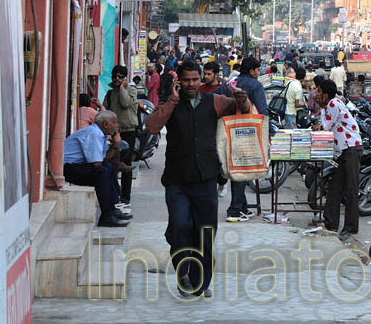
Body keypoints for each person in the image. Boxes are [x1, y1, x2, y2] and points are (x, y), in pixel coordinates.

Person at [145, 60, 252, 298]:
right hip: (176, 180)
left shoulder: (214, 101)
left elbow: (243, 111)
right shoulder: (170, 104)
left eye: (195, 79)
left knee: (205, 233)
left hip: (205, 179)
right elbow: (152, 127)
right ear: (178, 82)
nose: (191, 84)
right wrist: (172, 101)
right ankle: (181, 267)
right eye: (186, 80)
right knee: (180, 227)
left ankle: (200, 283)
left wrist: (242, 98)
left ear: (201, 78)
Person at [63, 110, 129, 227]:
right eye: (114, 122)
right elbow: (97, 163)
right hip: (68, 169)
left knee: (108, 167)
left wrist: (115, 145)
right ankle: (107, 216)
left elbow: (104, 160)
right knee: (102, 172)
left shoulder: (100, 134)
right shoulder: (94, 133)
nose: (116, 125)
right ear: (105, 124)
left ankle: (114, 208)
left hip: (79, 166)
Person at [316, 79, 362, 238]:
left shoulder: (333, 104)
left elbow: (325, 126)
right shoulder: (331, 104)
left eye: (319, 91)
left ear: (326, 94)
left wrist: (321, 108)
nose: (316, 93)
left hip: (351, 148)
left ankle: (350, 228)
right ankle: (330, 223)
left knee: (350, 190)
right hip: (344, 151)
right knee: (335, 188)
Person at [227, 56, 269, 221]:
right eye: (258, 70)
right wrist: (267, 132)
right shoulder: (255, 85)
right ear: (252, 71)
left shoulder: (232, 82)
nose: (259, 73)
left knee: (238, 168)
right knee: (242, 170)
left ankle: (242, 207)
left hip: (230, 129)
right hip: (248, 132)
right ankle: (234, 210)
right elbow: (262, 110)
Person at [103, 65, 140, 210]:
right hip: (115, 132)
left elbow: (125, 103)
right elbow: (106, 109)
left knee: (126, 164)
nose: (116, 79)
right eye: (114, 76)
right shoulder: (110, 93)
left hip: (128, 130)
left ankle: (126, 196)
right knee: (112, 162)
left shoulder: (131, 90)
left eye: (120, 76)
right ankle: (114, 193)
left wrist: (123, 87)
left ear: (124, 78)